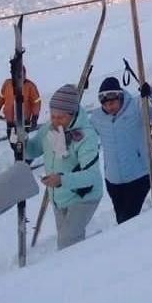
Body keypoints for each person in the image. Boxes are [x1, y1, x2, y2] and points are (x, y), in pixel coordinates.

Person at [25, 85, 103, 250]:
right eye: (52, 116)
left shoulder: (85, 136)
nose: (55, 121)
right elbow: (32, 150)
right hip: (59, 197)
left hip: (84, 197)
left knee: (68, 243)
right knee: (66, 242)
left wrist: (61, 180)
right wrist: (20, 141)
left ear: (72, 114)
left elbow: (93, 176)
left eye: (60, 117)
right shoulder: (49, 129)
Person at [90, 75, 152, 223]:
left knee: (128, 221)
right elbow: (86, 135)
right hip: (113, 181)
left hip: (138, 177)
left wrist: (151, 93)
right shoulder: (97, 117)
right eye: (105, 104)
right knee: (122, 220)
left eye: (113, 102)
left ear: (120, 96)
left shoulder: (137, 106)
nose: (109, 107)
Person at [0, 72, 42, 140]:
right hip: (10, 120)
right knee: (12, 140)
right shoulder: (7, 83)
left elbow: (36, 103)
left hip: (23, 121)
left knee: (21, 142)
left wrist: (34, 118)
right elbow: (1, 98)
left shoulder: (30, 86)